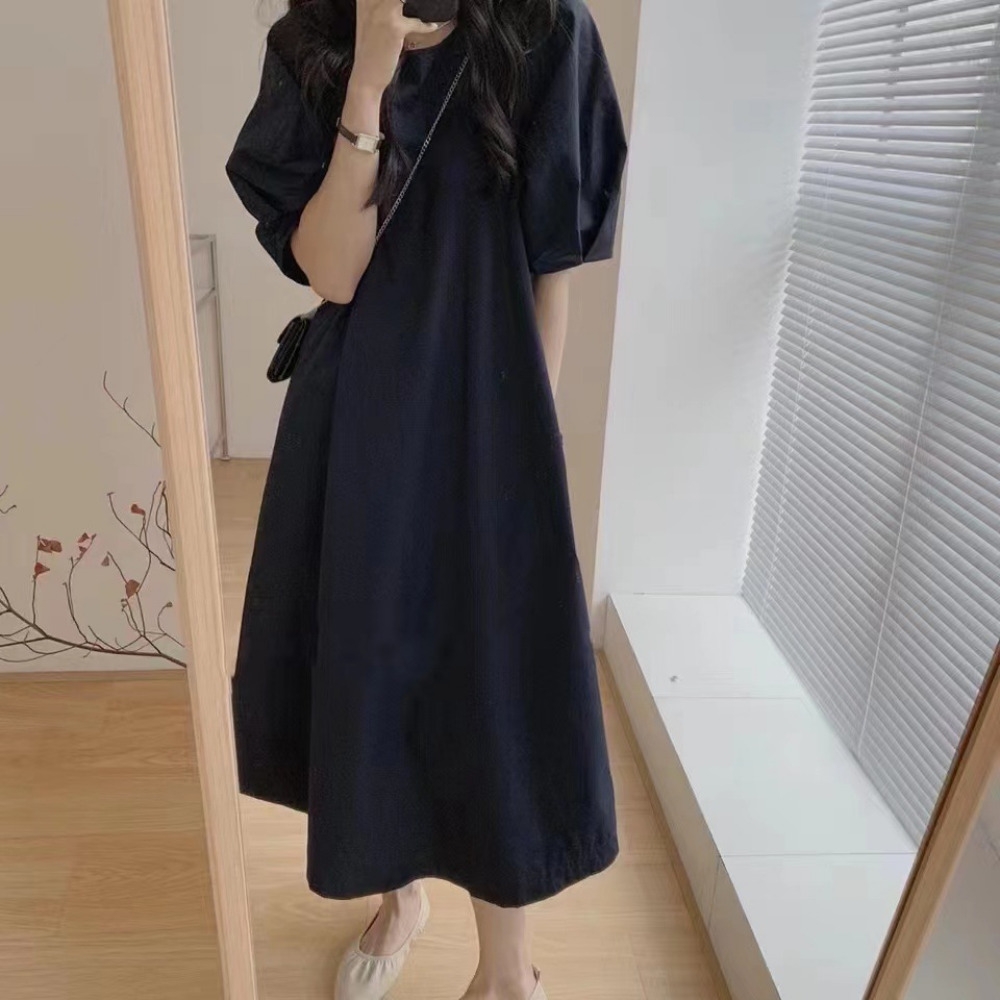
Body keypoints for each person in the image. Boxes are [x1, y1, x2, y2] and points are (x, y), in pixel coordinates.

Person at [225, 0, 627, 996]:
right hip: (357, 417)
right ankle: (398, 893)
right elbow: (333, 272)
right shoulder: (312, 41)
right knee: (373, 661)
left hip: (491, 412)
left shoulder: (547, 31)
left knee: (488, 684)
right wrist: (367, 81)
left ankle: (507, 971)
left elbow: (553, 274)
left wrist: (525, 450)